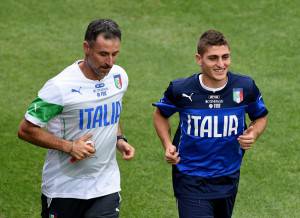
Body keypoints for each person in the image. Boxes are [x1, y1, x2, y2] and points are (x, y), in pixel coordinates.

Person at [18, 19, 135, 218]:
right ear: (86, 48)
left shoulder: (119, 77)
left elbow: (110, 113)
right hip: (64, 188)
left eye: (115, 54)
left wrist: (119, 139)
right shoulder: (60, 87)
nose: (110, 62)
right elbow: (26, 129)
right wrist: (69, 147)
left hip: (105, 185)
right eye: (103, 54)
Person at [153, 29, 268, 218]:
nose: (221, 64)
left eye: (225, 57)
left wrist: (253, 133)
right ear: (199, 59)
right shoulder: (181, 89)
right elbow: (160, 114)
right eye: (213, 58)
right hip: (190, 177)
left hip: (228, 176)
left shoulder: (245, 87)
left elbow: (261, 116)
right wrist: (167, 145)